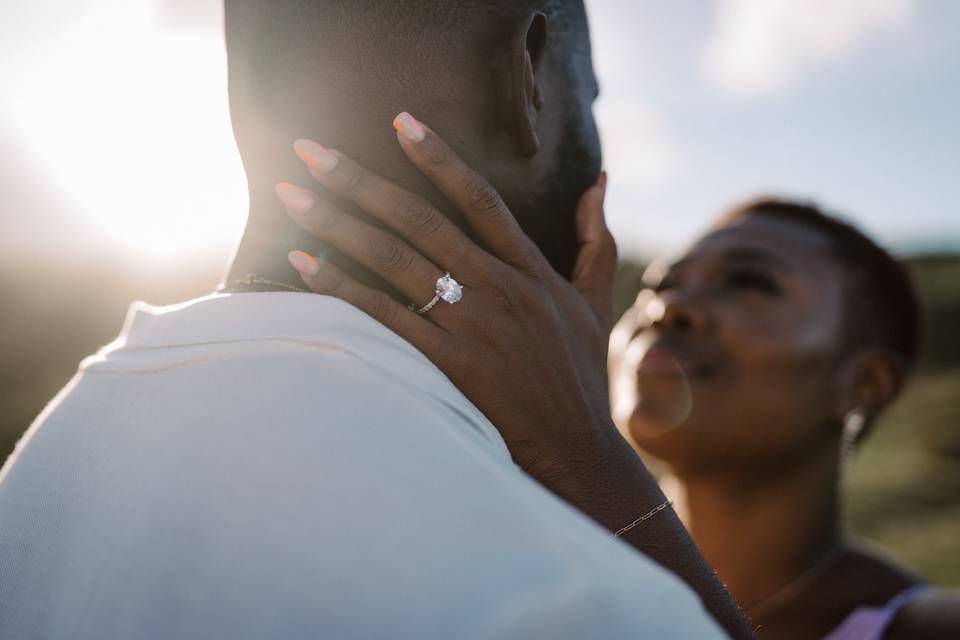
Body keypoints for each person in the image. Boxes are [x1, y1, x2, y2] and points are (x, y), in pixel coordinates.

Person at [0, 2, 750, 638]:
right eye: (589, 100)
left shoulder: (48, 459)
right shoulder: (573, 601)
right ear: (527, 75)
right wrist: (593, 459)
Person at [606, 199, 960, 638]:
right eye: (661, 283)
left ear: (864, 383)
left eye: (747, 282)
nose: (668, 306)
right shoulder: (529, 556)